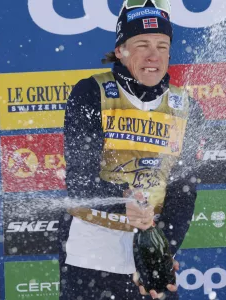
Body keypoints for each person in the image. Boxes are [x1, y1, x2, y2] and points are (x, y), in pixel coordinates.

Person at [59, 0, 203, 299]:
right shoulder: (90, 92)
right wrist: (125, 203)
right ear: (121, 50)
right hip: (91, 257)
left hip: (147, 261)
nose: (154, 56)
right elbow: (80, 180)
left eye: (162, 46)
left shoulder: (187, 107)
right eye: (142, 44)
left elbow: (183, 194)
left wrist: (160, 255)